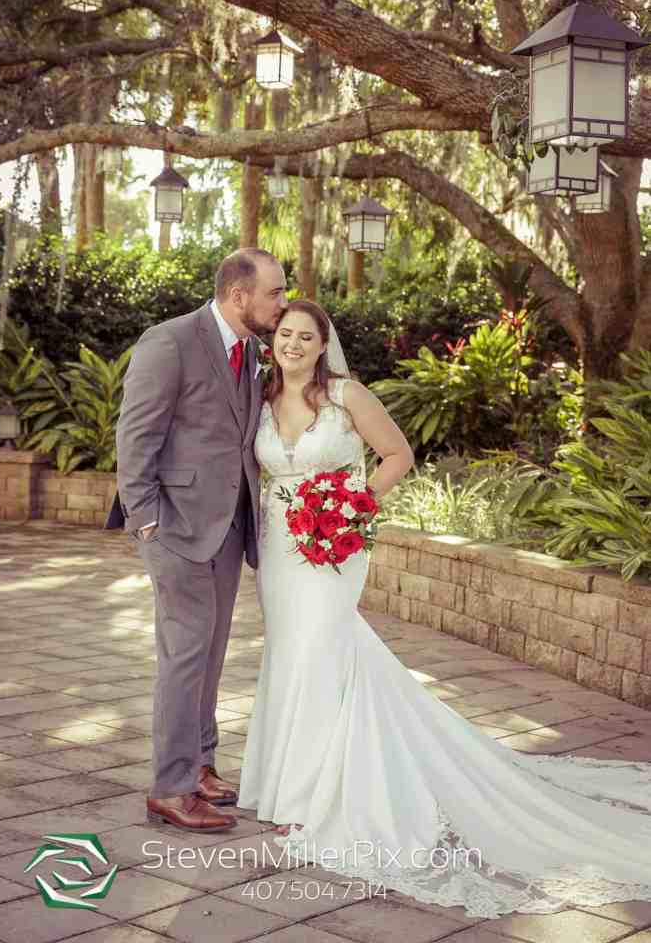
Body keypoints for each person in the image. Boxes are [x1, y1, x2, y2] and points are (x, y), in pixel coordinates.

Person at [237, 298, 651, 918]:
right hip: (279, 545)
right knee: (292, 655)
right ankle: (282, 783)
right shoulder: (263, 397)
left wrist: (352, 506)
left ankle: (312, 797)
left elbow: (398, 455)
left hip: (335, 542)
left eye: (306, 337)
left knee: (322, 651)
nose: (293, 345)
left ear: (323, 346)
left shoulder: (348, 396)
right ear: (274, 342)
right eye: (286, 334)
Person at [111, 247, 287, 832]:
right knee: (185, 654)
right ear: (239, 296)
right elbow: (136, 434)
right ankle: (171, 787)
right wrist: (146, 520)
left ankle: (201, 765)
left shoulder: (252, 351)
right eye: (275, 292)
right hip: (175, 526)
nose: (283, 303)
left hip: (230, 526)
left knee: (210, 654)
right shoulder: (169, 341)